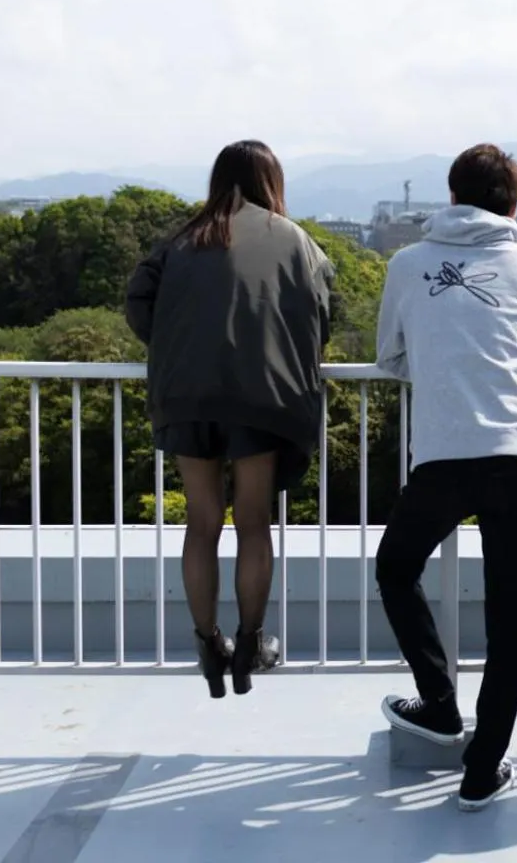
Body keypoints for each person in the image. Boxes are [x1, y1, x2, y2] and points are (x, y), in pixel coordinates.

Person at [372, 143, 517, 812]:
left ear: (452, 193)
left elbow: (389, 356)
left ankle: (438, 703)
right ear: (514, 202)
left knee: (396, 568)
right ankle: (481, 766)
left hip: (440, 452)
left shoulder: (409, 263)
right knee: (508, 619)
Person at [125, 140, 333, 700]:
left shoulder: (181, 238)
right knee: (253, 524)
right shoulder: (295, 240)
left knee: (202, 523)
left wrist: (177, 345)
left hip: (187, 394)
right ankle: (249, 643)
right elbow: (323, 311)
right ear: (272, 181)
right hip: (263, 396)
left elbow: (138, 303)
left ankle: (206, 643)